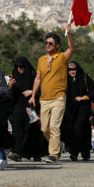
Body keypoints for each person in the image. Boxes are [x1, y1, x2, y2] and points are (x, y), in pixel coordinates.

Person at [28, 24, 75, 163]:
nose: (47, 45)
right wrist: (33, 95)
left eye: (50, 43)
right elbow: (38, 78)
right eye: (46, 43)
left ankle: (53, 154)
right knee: (44, 129)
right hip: (44, 99)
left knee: (54, 126)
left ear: (57, 46)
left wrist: (69, 34)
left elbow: (71, 49)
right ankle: (58, 145)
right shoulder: (41, 60)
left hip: (58, 97)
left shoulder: (61, 58)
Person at [8, 56, 47, 162]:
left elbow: (42, 89)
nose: (19, 69)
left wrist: (32, 92)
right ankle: (17, 152)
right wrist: (10, 86)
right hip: (18, 107)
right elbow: (11, 95)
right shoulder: (15, 77)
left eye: (21, 67)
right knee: (18, 129)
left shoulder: (33, 76)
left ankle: (36, 152)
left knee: (32, 130)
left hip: (31, 107)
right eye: (17, 67)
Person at [61, 61, 94, 161]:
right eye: (70, 70)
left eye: (74, 70)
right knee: (82, 130)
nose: (72, 72)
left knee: (77, 128)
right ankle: (85, 152)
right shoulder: (65, 80)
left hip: (84, 108)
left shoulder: (84, 78)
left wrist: (85, 97)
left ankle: (74, 153)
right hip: (71, 110)